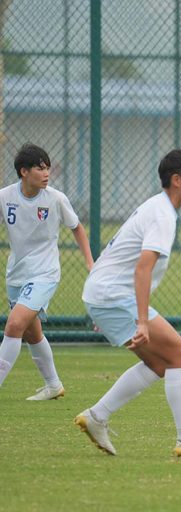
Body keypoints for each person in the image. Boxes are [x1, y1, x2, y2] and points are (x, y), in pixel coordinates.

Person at [74, 149, 181, 459]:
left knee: (159, 363)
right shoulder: (162, 213)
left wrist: (100, 304)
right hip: (114, 296)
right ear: (176, 180)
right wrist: (141, 321)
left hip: (106, 296)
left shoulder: (159, 209)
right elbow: (142, 267)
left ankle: (97, 416)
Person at [0, 143, 93, 400]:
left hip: (45, 273)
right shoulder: (4, 197)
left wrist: (89, 262)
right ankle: (53, 385)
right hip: (16, 275)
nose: (46, 173)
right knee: (32, 332)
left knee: (15, 324)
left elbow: (76, 227)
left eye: (48, 168)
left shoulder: (56, 198)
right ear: (23, 172)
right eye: (40, 168)